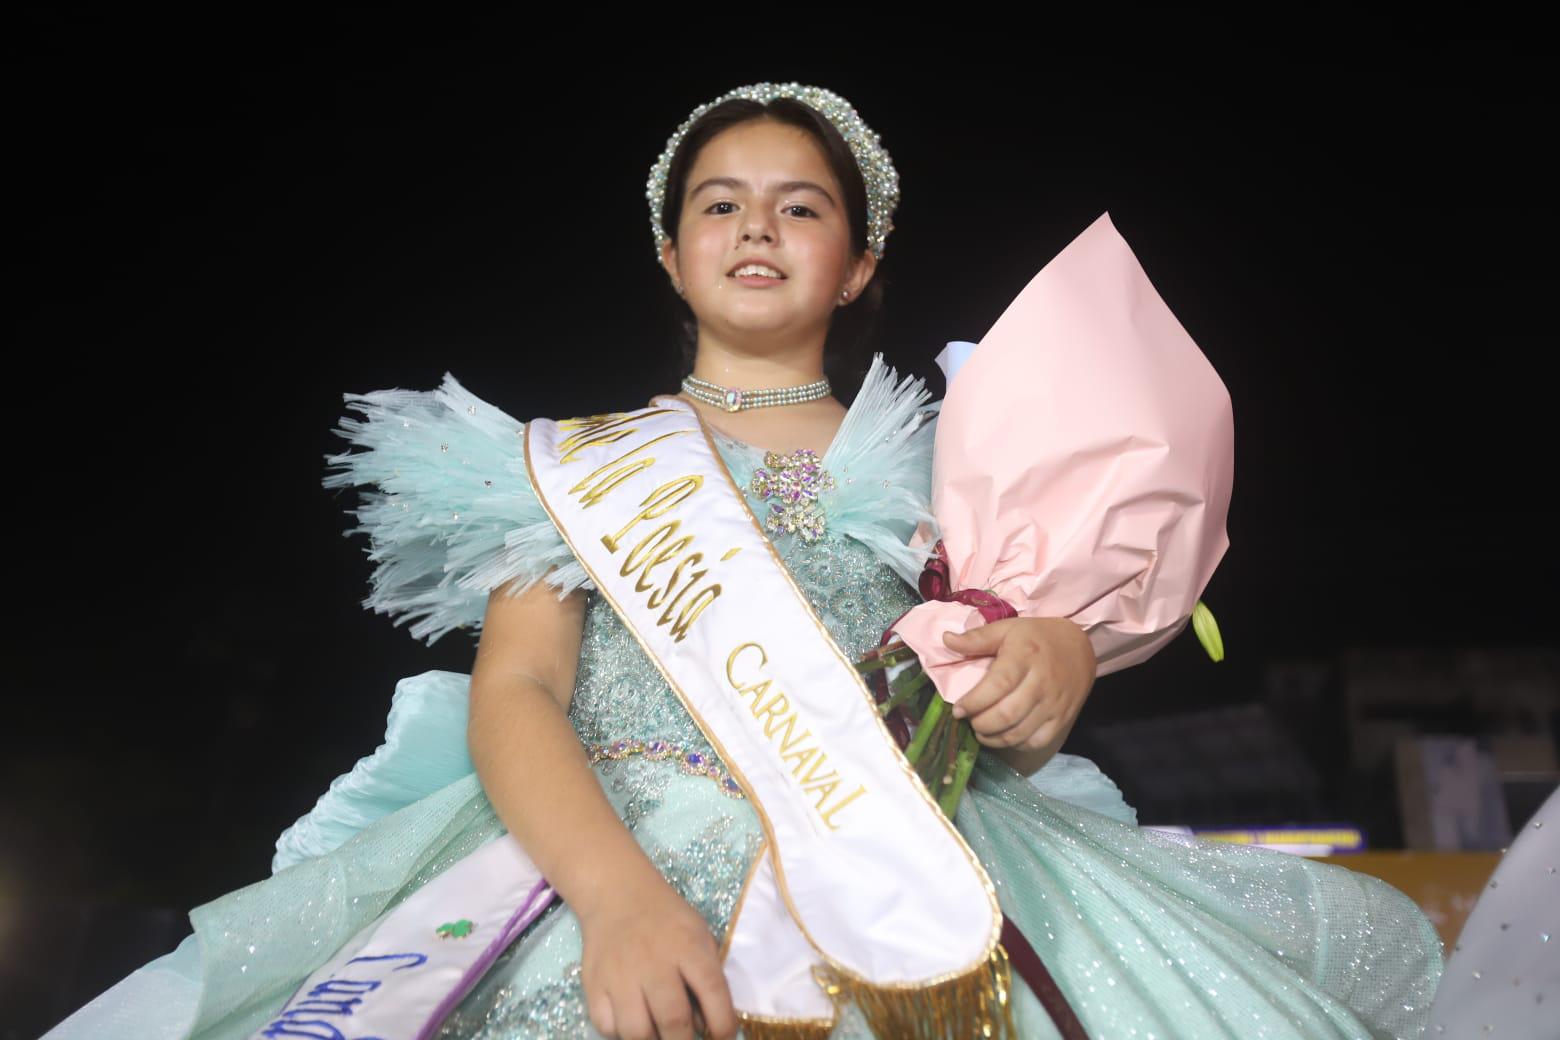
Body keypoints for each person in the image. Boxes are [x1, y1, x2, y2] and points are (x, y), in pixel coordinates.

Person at [44, 82, 1445, 1040]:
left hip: (903, 861)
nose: (756, 226)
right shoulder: (578, 466)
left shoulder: (953, 469)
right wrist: (615, 900)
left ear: (859, 263)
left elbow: (996, 696)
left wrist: (1058, 652)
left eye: (799, 205)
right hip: (595, 863)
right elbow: (518, 694)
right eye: (719, 204)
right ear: (670, 255)